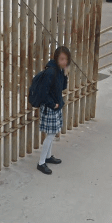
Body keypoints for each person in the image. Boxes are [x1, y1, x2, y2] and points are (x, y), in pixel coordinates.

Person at [36, 46, 70, 175]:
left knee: (52, 133)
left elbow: (63, 87)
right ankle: (41, 162)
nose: (64, 62)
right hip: (50, 107)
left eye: (66, 59)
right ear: (56, 58)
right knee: (50, 135)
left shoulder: (59, 70)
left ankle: (48, 156)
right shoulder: (50, 72)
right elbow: (43, 92)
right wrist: (53, 104)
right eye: (62, 59)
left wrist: (65, 74)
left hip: (56, 105)